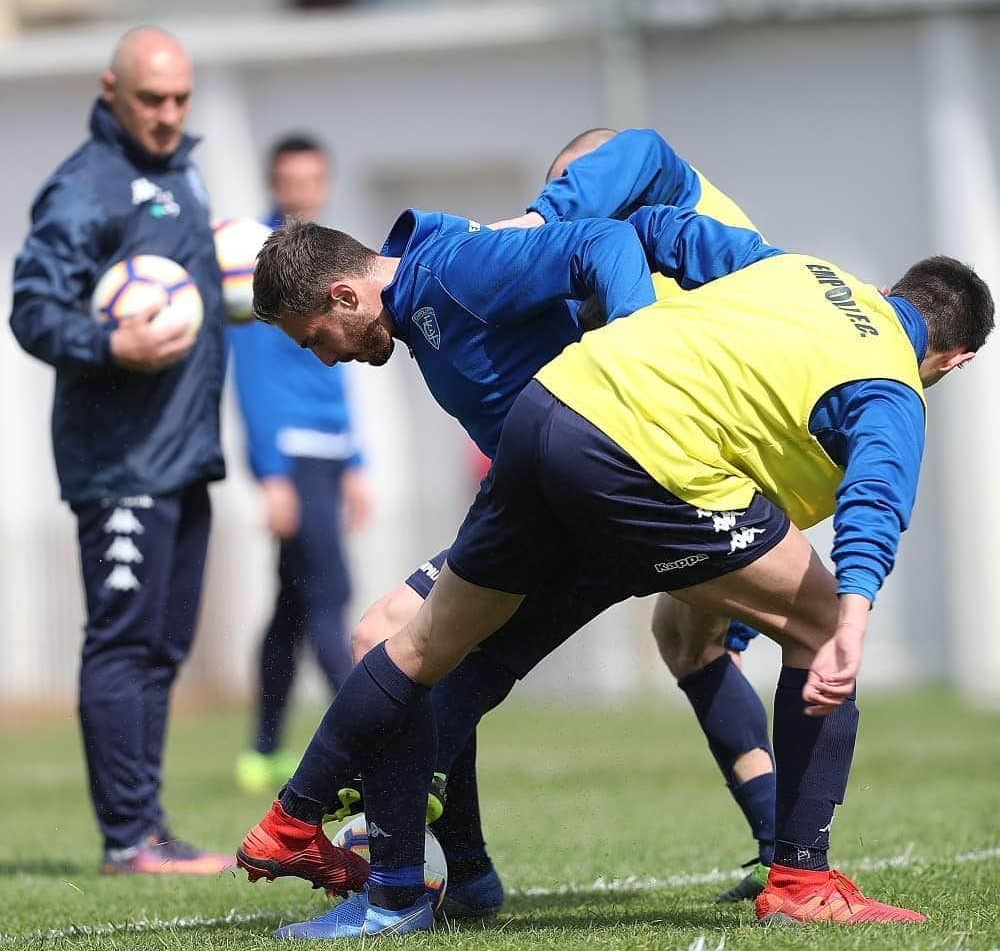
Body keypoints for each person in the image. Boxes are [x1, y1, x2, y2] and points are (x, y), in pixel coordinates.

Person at [238, 204, 992, 936]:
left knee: (411, 644)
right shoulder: (890, 378)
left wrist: (579, 257)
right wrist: (854, 615)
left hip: (552, 409)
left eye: (315, 339)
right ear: (953, 360)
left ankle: (307, 826)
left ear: (889, 292)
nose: (325, 353)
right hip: (634, 456)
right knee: (819, 623)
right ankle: (800, 879)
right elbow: (876, 495)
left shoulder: (806, 273)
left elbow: (660, 226)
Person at [347, 128, 776, 910]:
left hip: (693, 458)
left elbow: (634, 148)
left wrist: (545, 217)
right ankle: (783, 852)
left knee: (438, 644)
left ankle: (406, 829)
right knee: (686, 640)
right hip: (675, 458)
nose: (570, 200)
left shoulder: (662, 194)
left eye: (574, 182)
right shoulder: (639, 251)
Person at [8, 26, 233, 875]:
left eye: (180, 99)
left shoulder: (179, 169)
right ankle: (127, 838)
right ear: (111, 89)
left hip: (184, 451)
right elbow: (33, 309)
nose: (169, 115)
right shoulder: (84, 188)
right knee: (124, 640)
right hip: (122, 463)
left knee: (164, 646)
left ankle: (148, 829)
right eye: (152, 99)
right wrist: (110, 347)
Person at [231, 135, 371, 794]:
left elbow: (339, 365)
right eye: (289, 180)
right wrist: (272, 474)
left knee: (292, 606)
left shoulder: (325, 258)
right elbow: (253, 377)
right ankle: (371, 737)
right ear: (272, 182)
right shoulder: (257, 266)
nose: (300, 192)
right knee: (328, 596)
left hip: (327, 453)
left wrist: (357, 459)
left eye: (312, 180)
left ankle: (262, 749)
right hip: (290, 455)